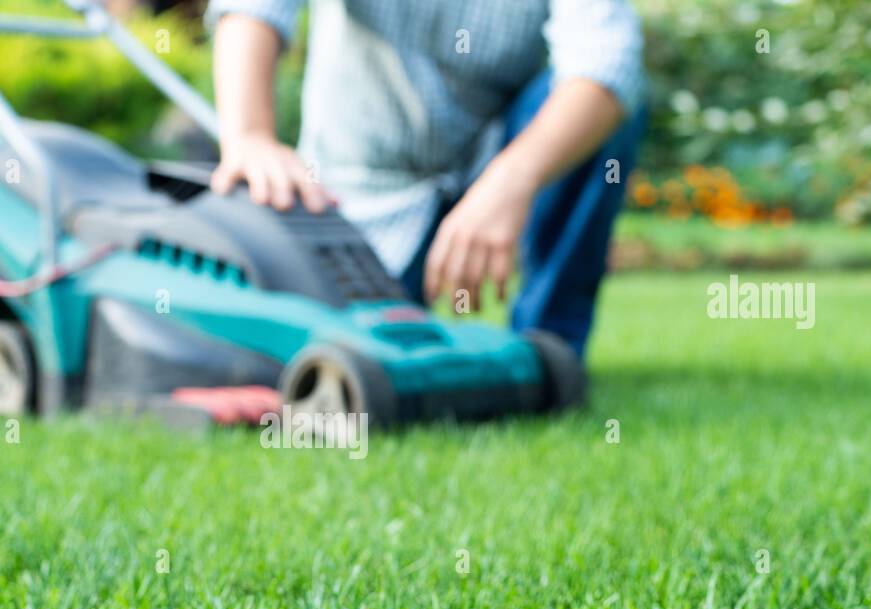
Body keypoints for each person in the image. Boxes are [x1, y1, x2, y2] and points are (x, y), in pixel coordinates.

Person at [205, 0, 645, 358]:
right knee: (349, 345)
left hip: (489, 169)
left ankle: (548, 352)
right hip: (360, 197)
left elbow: (607, 60)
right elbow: (254, 9)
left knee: (602, 103)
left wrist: (512, 180)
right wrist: (249, 135)